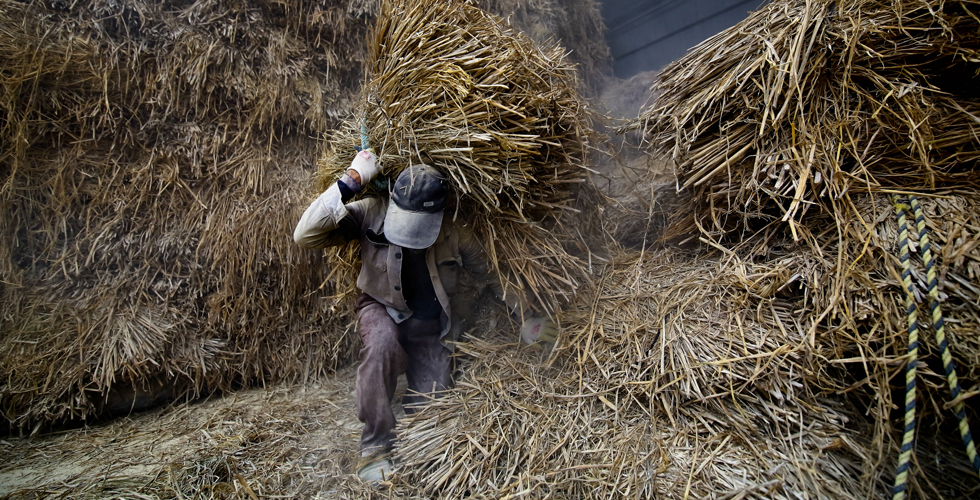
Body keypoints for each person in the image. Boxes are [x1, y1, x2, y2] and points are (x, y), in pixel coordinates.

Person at [293, 150, 555, 482]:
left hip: (429, 324)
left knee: (433, 409)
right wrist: (353, 179)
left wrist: (527, 317)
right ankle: (375, 445)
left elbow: (493, 277)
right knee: (381, 346)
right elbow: (306, 235)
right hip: (380, 307)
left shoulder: (455, 233)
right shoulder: (372, 212)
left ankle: (416, 436)